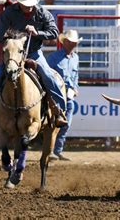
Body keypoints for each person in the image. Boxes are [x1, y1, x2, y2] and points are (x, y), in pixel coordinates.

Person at [0, 0, 67, 131]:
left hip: (34, 53)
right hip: (13, 54)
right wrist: (18, 38)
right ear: (19, 2)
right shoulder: (8, 14)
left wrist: (37, 32)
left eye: (31, 4)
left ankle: (58, 111)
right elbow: (1, 36)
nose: (29, 7)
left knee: (48, 76)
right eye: (26, 5)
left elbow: (54, 32)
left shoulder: (41, 12)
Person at [46, 30, 82, 161]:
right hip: (55, 95)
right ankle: (51, 151)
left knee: (65, 124)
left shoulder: (75, 58)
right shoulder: (53, 58)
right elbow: (47, 76)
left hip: (69, 96)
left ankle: (56, 151)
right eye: (70, 42)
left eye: (74, 43)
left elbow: (75, 76)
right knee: (53, 124)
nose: (73, 45)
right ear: (64, 42)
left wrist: (75, 88)